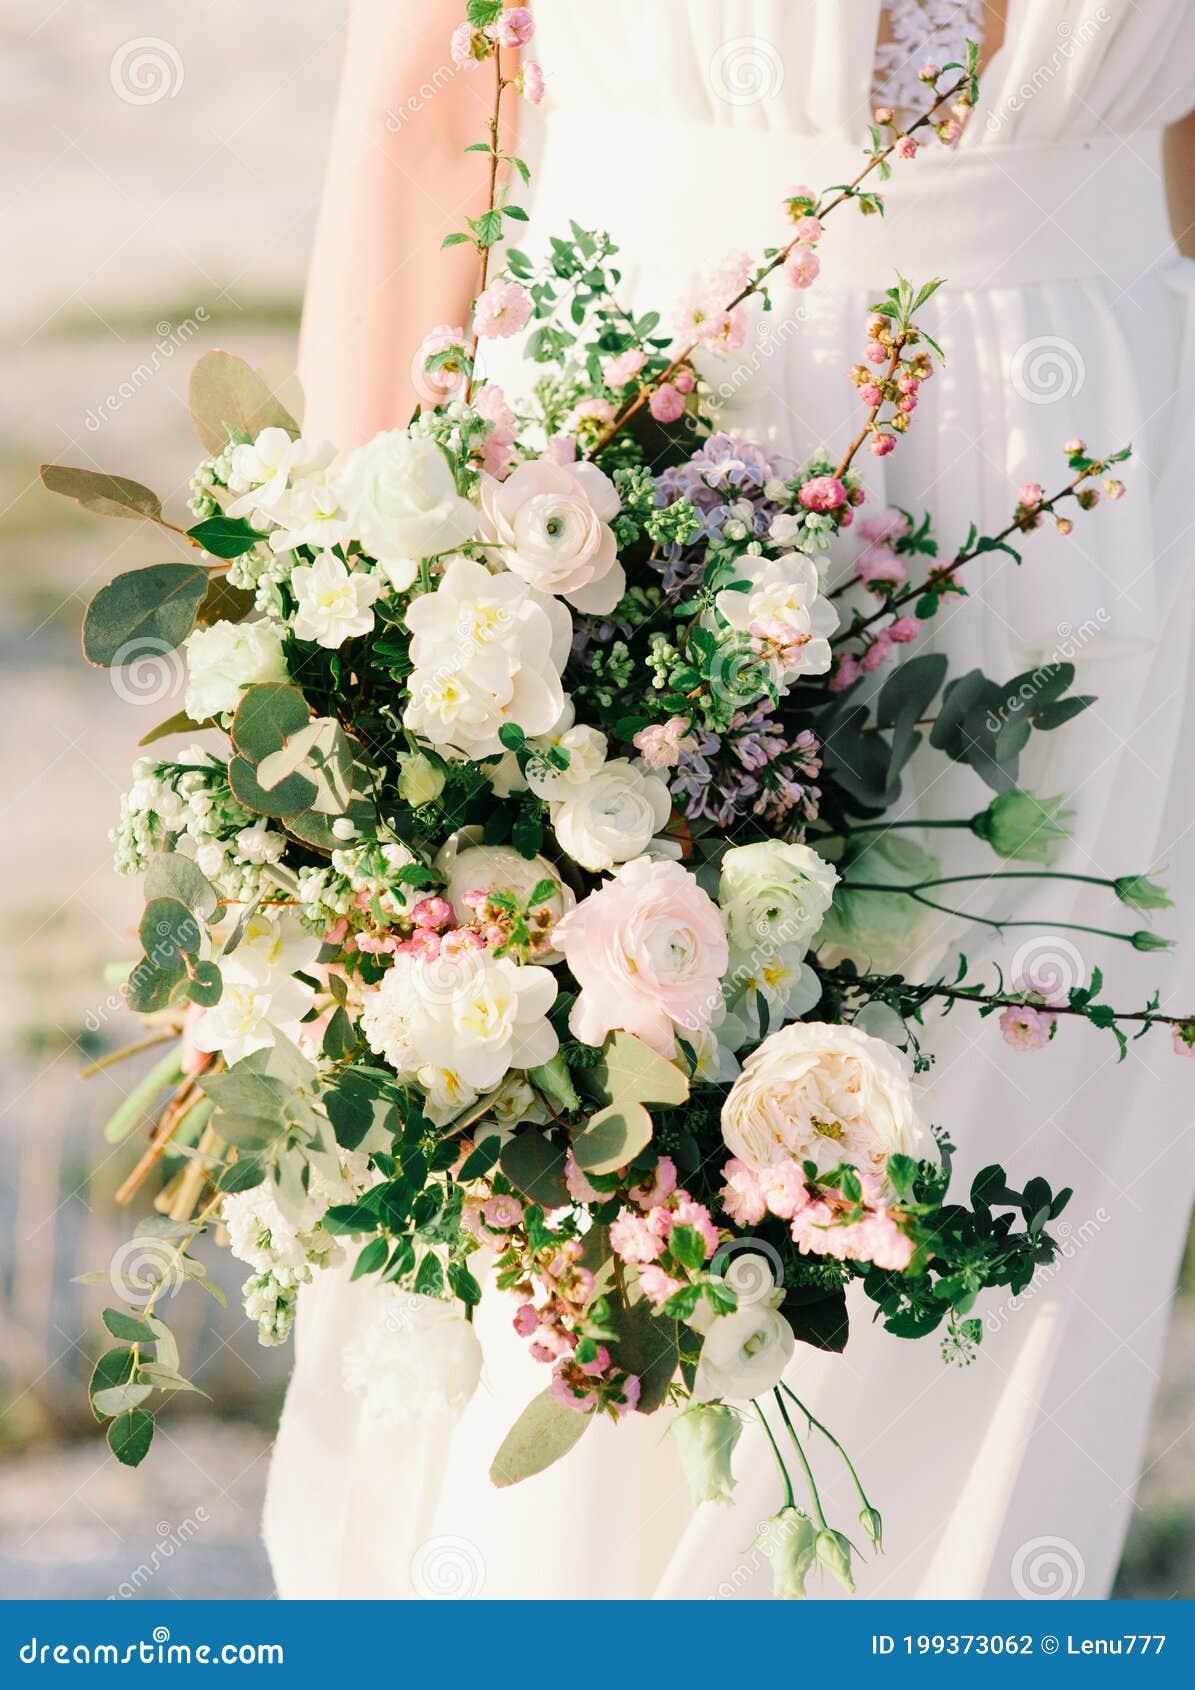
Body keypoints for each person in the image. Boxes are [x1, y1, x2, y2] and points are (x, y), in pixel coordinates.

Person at [265, 0, 1195, 1599]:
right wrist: (344, 655)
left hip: (1108, 516)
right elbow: (423, 126)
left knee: (990, 1298)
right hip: (633, 514)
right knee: (601, 1281)